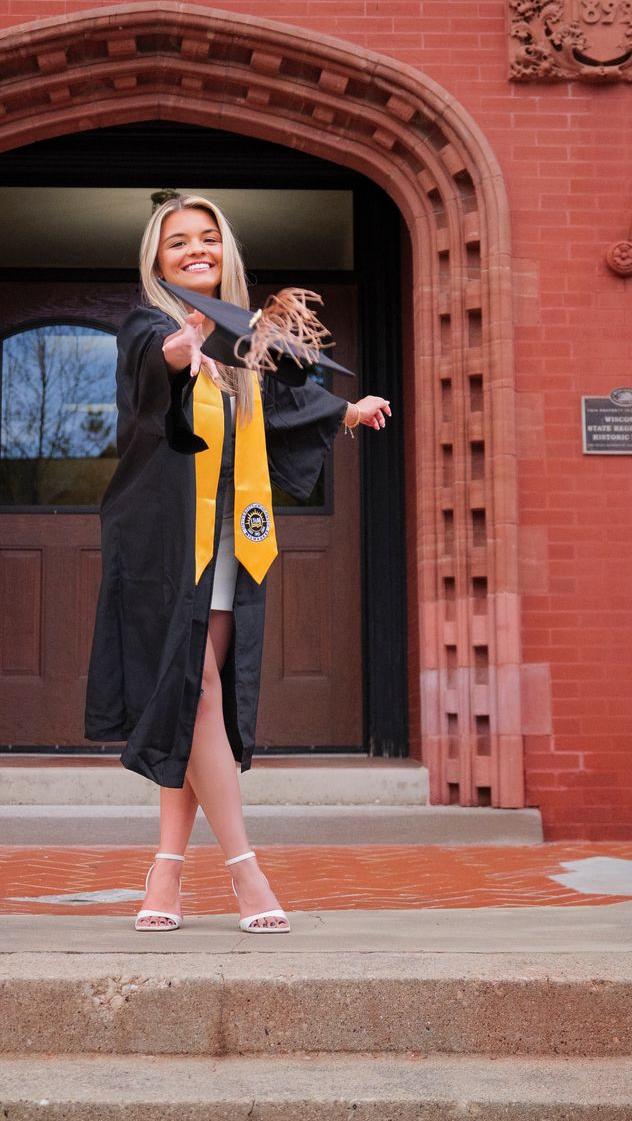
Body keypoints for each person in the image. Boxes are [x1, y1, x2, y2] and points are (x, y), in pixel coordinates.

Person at [84, 194, 390, 935]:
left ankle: (166, 870)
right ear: (157, 259)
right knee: (197, 691)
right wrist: (179, 352)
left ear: (225, 252)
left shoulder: (242, 336)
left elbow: (282, 403)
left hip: (228, 538)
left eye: (207, 239)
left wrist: (344, 412)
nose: (195, 250)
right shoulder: (150, 324)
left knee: (194, 696)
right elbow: (152, 368)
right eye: (178, 241)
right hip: (163, 542)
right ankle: (245, 869)